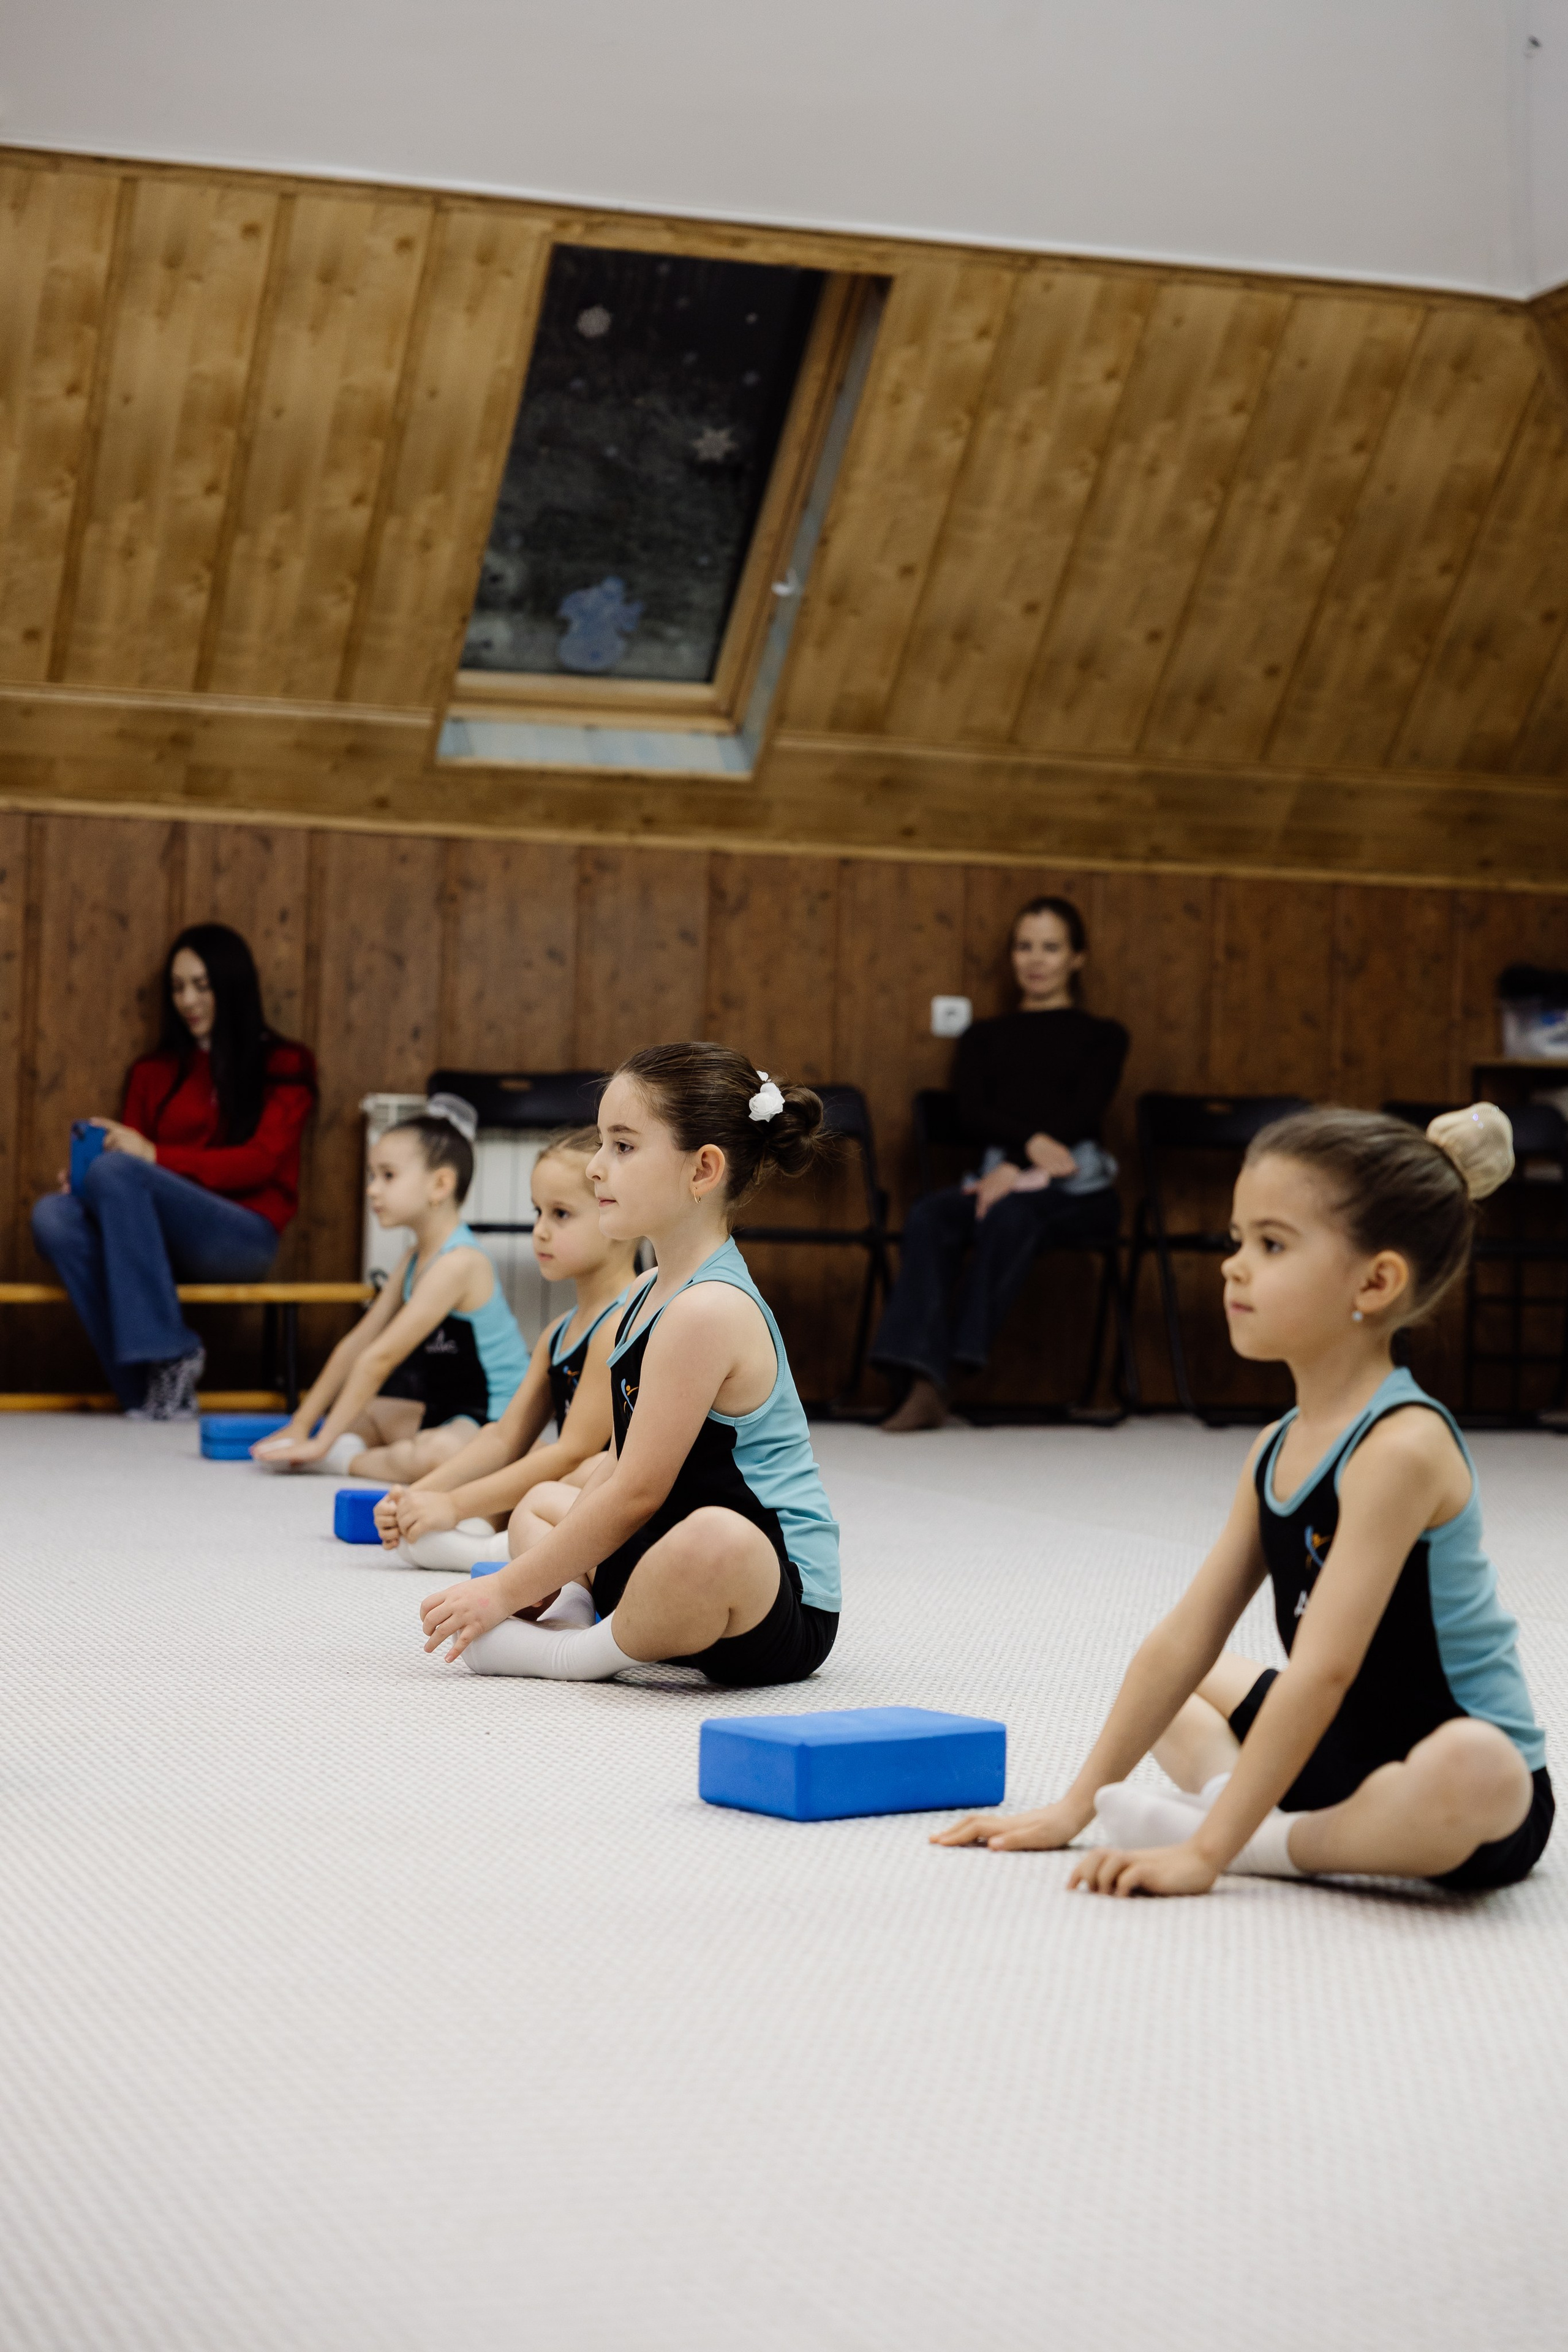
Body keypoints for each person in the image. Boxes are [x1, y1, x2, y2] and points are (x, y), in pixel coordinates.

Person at [934, 1102, 1553, 1897]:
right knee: (1183, 1674)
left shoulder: (1401, 1448)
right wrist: (1072, 1808)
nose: (1233, 1266)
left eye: (1271, 1244)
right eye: (1237, 1240)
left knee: (1480, 1768)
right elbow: (1183, 1638)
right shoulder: (1275, 1446)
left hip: (1460, 1785)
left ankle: (1264, 1841)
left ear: (1376, 1280)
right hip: (1338, 1750)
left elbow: (1324, 1670)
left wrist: (1209, 1856)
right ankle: (1256, 1814)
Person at [418, 1043, 841, 1689]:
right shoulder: (642, 1296)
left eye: (621, 1146)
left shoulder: (709, 1310)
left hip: (765, 1601)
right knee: (543, 1503)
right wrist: (546, 1577)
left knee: (714, 1538)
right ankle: (571, 1616)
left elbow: (638, 1492)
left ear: (702, 1171)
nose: (595, 1168)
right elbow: (618, 1465)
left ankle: (573, 1656)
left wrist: (500, 1591)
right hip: (661, 1555)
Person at [31, 923, 317, 1420]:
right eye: (178, 987)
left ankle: (171, 1352)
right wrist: (90, 1185)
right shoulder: (153, 1072)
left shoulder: (285, 1062)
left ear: (232, 986)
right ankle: (149, 1395)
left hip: (242, 1236)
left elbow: (262, 1161)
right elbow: (126, 1168)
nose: (188, 1000)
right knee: (54, 1216)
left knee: (117, 1172)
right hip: (154, 1242)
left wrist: (151, 1159)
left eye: (202, 986)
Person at [871, 895, 1128, 1431]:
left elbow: (1081, 1113)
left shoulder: (1103, 1036)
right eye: (1025, 946)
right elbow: (972, 1113)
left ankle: (946, 1375)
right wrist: (1025, 1150)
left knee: (1013, 1215)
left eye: (1051, 947)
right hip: (991, 1180)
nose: (1036, 959)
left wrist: (1016, 1162)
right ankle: (916, 1372)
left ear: (1077, 958)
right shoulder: (984, 1036)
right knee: (931, 1213)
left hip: (1077, 1190)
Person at [371, 1127, 639, 1570]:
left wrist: (454, 1506)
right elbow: (503, 1436)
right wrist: (421, 1493)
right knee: (520, 1467)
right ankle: (512, 1539)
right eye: (538, 1213)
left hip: (619, 1489)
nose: (540, 1232)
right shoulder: (558, 1332)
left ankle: (507, 1552)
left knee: (582, 1472)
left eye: (561, 1215)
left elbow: (572, 1451)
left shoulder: (621, 1320)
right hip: (575, 1483)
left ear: (616, 1214)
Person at [254, 1096, 528, 1483]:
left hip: (495, 1419)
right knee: (359, 1414)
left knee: (433, 1457)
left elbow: (381, 1358)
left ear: (441, 1184)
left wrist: (321, 1445)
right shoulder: (415, 1257)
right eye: (372, 1176)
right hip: (442, 1409)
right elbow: (359, 1343)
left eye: (387, 1175)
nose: (372, 1190)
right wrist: (302, 1425)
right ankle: (355, 1451)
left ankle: (339, 1462)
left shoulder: (460, 1263)